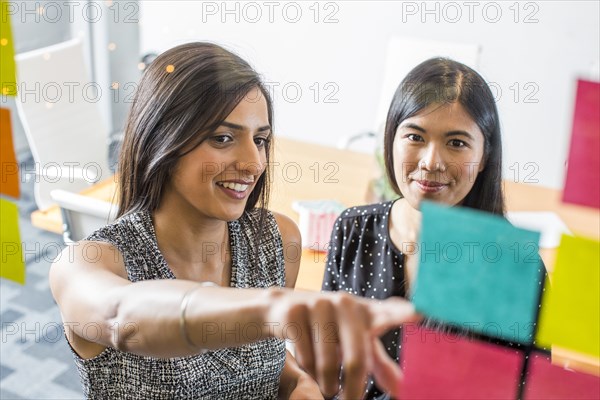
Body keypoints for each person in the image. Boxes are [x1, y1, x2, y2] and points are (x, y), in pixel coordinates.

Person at [49, 42, 419, 400]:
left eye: (260, 140)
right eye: (223, 138)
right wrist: (270, 309)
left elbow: (266, 362)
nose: (254, 163)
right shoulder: (85, 264)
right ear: (161, 140)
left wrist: (296, 381)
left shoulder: (276, 239)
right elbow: (121, 316)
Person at [322, 57, 505, 399]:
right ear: (391, 138)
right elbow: (326, 364)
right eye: (415, 136)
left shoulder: (510, 266)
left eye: (456, 143)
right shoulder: (352, 229)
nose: (430, 162)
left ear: (484, 156)